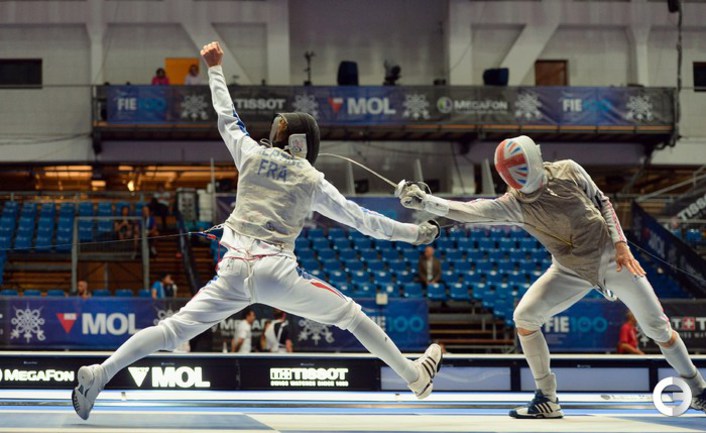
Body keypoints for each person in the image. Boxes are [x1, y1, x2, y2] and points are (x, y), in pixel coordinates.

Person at [71, 41, 442, 421]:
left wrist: (215, 68)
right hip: (277, 270)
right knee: (351, 315)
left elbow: (226, 116)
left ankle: (100, 374)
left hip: (233, 270)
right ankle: (415, 377)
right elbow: (362, 219)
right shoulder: (311, 178)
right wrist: (415, 234)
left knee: (172, 331)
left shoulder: (250, 153)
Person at [397, 135, 706, 418]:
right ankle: (547, 397)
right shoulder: (514, 203)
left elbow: (602, 201)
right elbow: (470, 210)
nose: (525, 185)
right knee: (525, 317)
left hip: (612, 258)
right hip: (569, 268)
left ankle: (698, 389)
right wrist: (426, 202)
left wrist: (621, 244)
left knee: (658, 328)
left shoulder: (569, 170)